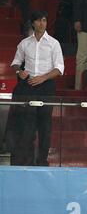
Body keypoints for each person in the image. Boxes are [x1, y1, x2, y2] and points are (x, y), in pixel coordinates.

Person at [8, 10, 65, 166]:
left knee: (45, 126)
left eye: (44, 20)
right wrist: (20, 71)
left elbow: (59, 68)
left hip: (46, 86)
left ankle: (42, 161)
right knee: (28, 125)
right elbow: (15, 63)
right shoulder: (25, 43)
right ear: (33, 23)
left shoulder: (54, 43)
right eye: (39, 20)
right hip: (29, 85)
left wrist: (44, 77)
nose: (42, 23)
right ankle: (27, 161)